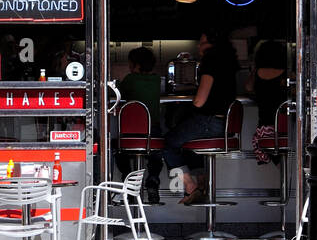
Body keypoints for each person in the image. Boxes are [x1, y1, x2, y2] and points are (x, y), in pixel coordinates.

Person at [154, 31, 239, 205]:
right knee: (187, 143)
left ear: (212, 44)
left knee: (169, 143)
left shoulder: (211, 60)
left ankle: (190, 187)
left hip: (209, 121)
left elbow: (200, 101)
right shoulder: (229, 61)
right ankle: (202, 184)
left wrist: (189, 103)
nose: (199, 47)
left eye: (202, 43)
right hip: (223, 124)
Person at [117, 46, 163, 200]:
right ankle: (153, 180)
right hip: (152, 135)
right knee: (156, 153)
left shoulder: (130, 79)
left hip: (131, 136)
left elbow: (118, 92)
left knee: (116, 148)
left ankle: (129, 180)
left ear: (135, 65)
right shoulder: (157, 80)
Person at [249, 39, 288, 165]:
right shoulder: (286, 74)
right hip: (283, 130)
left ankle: (284, 181)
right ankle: (286, 182)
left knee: (278, 160)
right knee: (282, 159)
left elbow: (248, 88)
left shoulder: (257, 73)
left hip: (263, 130)